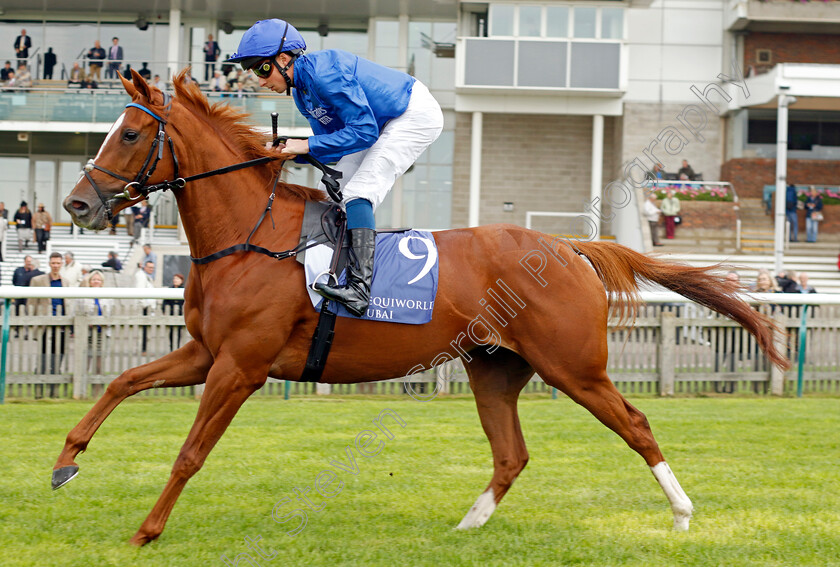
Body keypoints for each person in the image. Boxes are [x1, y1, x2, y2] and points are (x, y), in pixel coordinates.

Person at [227, 18, 444, 316]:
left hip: (411, 114)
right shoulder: (302, 94)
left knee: (359, 192)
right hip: (376, 125)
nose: (261, 80)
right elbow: (333, 148)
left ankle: (359, 288)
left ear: (283, 58)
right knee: (327, 195)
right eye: (254, 72)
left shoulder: (324, 73)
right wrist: (291, 153)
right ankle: (327, 273)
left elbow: (364, 132)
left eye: (263, 69)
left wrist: (304, 145)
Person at [30, 252, 72, 398]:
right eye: (53, 263)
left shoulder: (65, 282)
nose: (55, 266)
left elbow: (67, 304)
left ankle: (54, 393)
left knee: (58, 360)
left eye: (58, 263)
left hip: (60, 327)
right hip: (44, 327)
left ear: (62, 264)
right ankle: (39, 393)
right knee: (42, 360)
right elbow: (32, 304)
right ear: (49, 263)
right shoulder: (38, 280)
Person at [78, 270, 114, 396]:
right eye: (94, 280)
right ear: (89, 282)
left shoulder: (107, 296)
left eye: (98, 280)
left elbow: (111, 314)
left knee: (99, 363)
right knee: (85, 362)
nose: (96, 281)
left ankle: (97, 392)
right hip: (87, 334)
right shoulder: (83, 296)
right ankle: (82, 390)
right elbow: (77, 313)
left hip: (102, 334)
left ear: (102, 282)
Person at [134, 261, 157, 356]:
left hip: (148, 307)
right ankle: (142, 350)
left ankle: (144, 349)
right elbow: (140, 291)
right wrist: (144, 305)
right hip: (144, 307)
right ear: (144, 267)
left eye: (153, 268)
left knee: (146, 330)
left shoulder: (147, 276)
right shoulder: (141, 276)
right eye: (149, 267)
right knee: (142, 330)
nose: (151, 269)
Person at [12, 255, 43, 320]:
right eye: (28, 261)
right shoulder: (43, 274)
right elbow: (14, 281)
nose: (29, 263)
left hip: (26, 298)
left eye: (30, 262)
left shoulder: (28, 274)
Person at [162, 273, 186, 350]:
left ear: (181, 281)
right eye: (174, 279)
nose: (175, 280)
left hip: (180, 314)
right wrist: (165, 310)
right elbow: (165, 301)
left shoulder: (184, 290)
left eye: (177, 279)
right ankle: (172, 347)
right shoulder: (170, 289)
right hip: (171, 313)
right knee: (171, 332)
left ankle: (178, 347)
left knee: (179, 332)